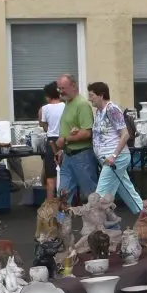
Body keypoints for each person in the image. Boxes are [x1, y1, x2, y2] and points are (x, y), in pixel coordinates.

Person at [89, 82, 142, 213]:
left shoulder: (112, 109)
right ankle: (145, 216)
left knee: (99, 196)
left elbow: (125, 134)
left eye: (92, 95)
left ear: (101, 95)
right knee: (128, 191)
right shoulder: (99, 111)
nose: (90, 99)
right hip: (108, 159)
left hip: (115, 159)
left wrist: (113, 156)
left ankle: (97, 224)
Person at [56, 73, 96, 203]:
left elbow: (87, 132)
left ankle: (103, 217)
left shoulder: (82, 104)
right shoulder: (68, 103)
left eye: (63, 88)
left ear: (73, 86)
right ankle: (61, 217)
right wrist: (62, 149)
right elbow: (68, 129)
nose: (60, 91)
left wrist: (65, 140)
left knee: (91, 195)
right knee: (63, 195)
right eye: (59, 88)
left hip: (82, 157)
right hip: (68, 156)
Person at [37, 81, 64, 200]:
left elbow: (44, 126)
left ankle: (50, 205)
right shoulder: (67, 106)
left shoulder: (44, 109)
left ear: (48, 95)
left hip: (51, 141)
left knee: (51, 176)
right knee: (65, 174)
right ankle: (66, 204)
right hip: (65, 140)